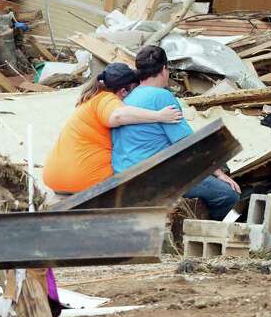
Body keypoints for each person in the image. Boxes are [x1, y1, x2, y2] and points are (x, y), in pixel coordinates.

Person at [111, 45, 241, 220]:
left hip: (123, 175)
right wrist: (218, 173)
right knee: (227, 194)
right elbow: (188, 144)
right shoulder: (162, 97)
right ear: (164, 69)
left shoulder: (128, 98)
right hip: (152, 179)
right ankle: (199, 238)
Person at [42, 62, 183, 194]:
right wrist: (159, 116)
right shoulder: (106, 99)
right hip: (84, 181)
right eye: (134, 89)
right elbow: (118, 116)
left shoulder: (90, 99)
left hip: (54, 178)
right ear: (123, 91)